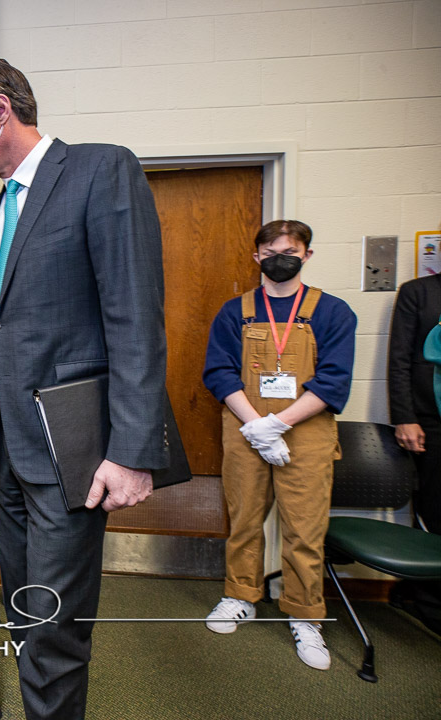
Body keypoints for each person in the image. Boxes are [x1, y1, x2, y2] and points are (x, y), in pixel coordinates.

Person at [0, 58, 168, 720]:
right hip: (4, 451)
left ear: (0, 109)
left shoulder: (99, 170)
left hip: (71, 446)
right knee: (26, 612)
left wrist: (132, 449)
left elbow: (135, 316)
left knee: (57, 624)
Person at [203, 219, 356, 670]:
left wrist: (278, 424)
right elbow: (219, 373)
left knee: (304, 530)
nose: (279, 260)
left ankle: (305, 614)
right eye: (270, 253)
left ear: (307, 255)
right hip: (245, 427)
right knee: (244, 519)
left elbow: (333, 380)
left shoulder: (333, 312)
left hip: (306, 431)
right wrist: (256, 426)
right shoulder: (236, 311)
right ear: (257, 257)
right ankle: (240, 596)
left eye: (289, 252)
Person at [386, 272, 441, 633]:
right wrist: (405, 417)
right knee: (434, 511)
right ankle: (429, 603)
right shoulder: (419, 292)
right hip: (430, 421)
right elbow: (400, 359)